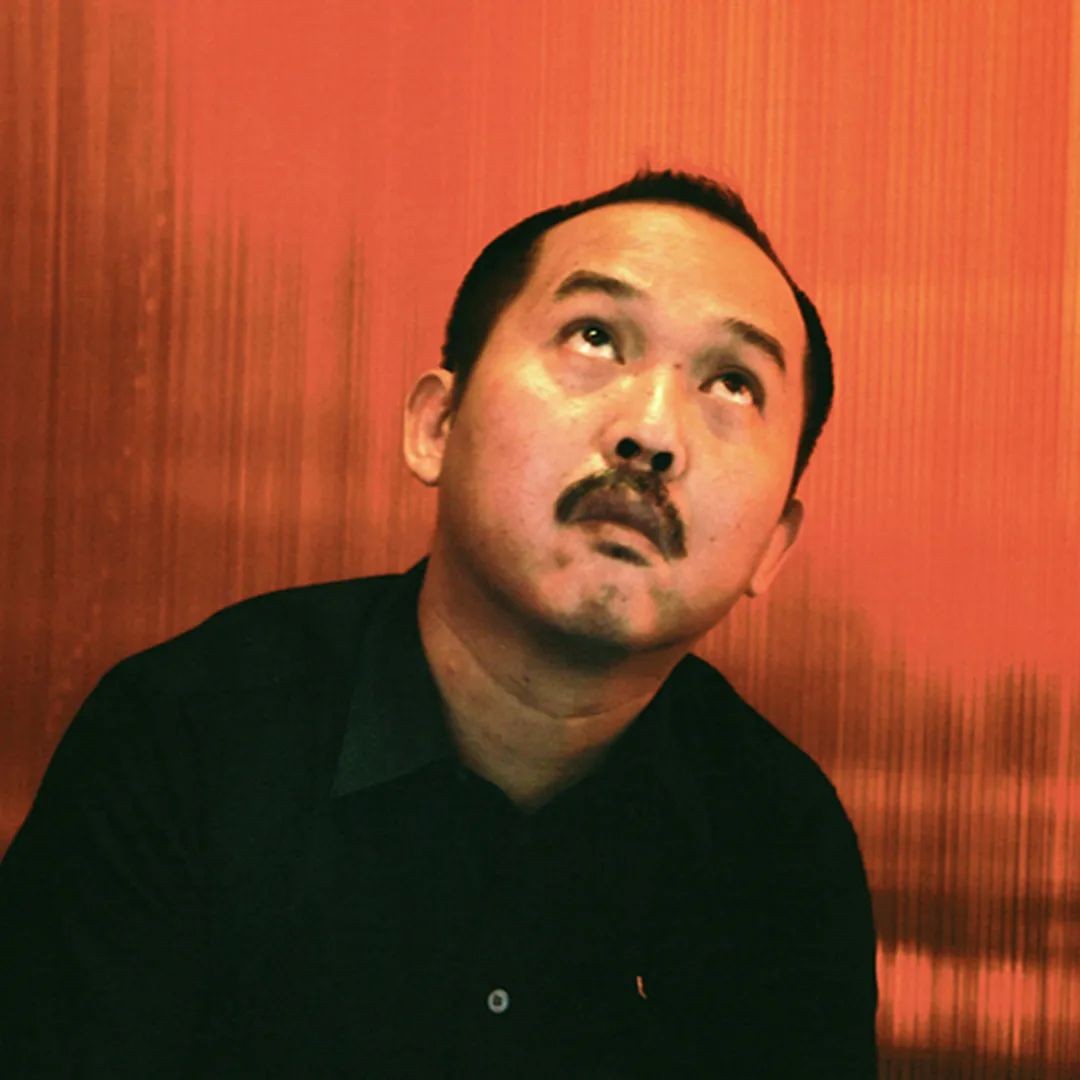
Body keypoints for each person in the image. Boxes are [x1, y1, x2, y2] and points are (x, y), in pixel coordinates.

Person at [1, 170, 878, 1077]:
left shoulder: (779, 843)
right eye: (595, 337)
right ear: (437, 425)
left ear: (773, 547)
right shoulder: (185, 736)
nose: (652, 431)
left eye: (733, 384)